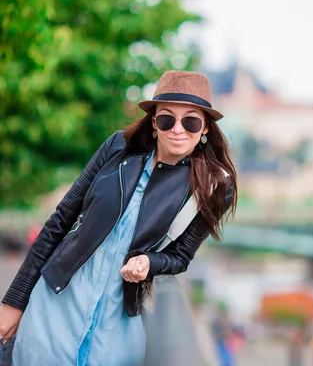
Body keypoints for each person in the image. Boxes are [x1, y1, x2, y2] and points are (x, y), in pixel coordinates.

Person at [0, 71, 237, 365]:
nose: (177, 129)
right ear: (153, 123)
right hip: (57, 302)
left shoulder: (214, 187)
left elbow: (181, 257)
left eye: (190, 120)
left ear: (205, 128)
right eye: (166, 118)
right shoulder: (116, 149)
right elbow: (59, 222)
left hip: (118, 320)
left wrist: (150, 262)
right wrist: (13, 301)